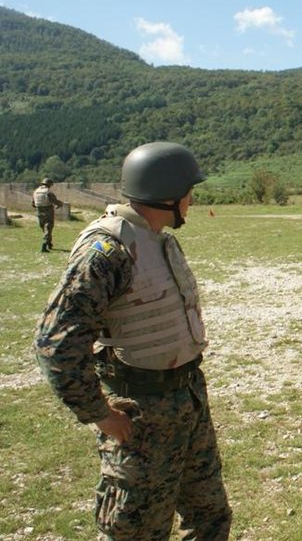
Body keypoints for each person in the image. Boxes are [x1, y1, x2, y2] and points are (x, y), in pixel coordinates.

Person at [34, 142, 232, 541]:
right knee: (136, 531)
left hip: (187, 400)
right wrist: (99, 412)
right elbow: (56, 342)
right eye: (188, 191)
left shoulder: (156, 238)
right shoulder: (107, 250)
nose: (192, 199)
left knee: (210, 517)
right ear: (168, 194)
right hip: (141, 416)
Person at [32, 177, 64, 252]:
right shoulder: (48, 192)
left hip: (39, 211)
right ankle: (44, 245)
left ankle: (49, 243)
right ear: (49, 184)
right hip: (48, 211)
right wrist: (60, 204)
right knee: (48, 228)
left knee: (44, 228)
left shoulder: (36, 191)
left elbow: (33, 204)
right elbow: (55, 202)